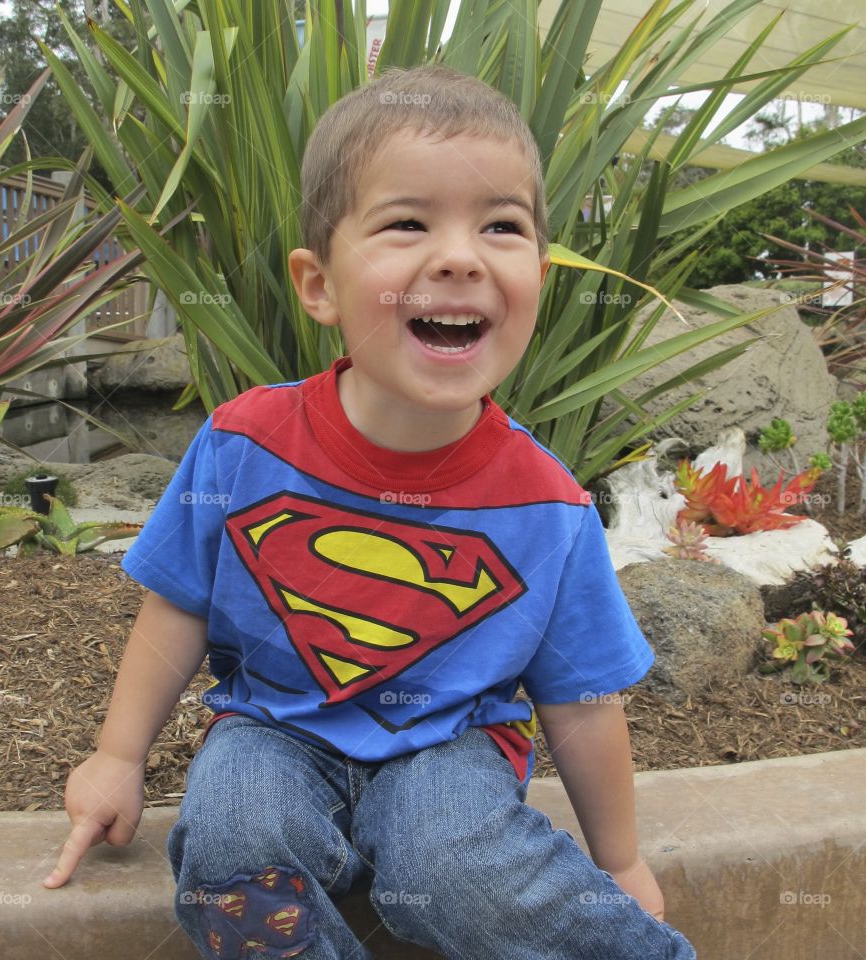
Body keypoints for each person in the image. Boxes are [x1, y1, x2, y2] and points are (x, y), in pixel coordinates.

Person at [43, 63, 697, 959]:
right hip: (271, 730)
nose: (461, 254)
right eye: (407, 223)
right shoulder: (244, 447)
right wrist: (117, 757)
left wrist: (619, 863)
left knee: (455, 864)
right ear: (318, 285)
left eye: (500, 225)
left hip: (450, 750)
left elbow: (581, 700)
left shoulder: (546, 505)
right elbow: (178, 606)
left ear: (536, 278)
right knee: (230, 836)